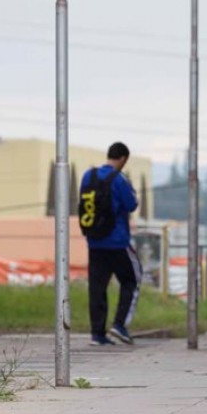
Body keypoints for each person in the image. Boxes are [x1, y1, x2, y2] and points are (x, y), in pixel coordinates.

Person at [82, 142, 141, 346]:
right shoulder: (119, 179)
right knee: (132, 279)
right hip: (117, 242)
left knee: (97, 287)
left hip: (94, 241)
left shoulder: (88, 176)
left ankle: (97, 334)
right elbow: (132, 204)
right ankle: (119, 325)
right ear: (123, 159)